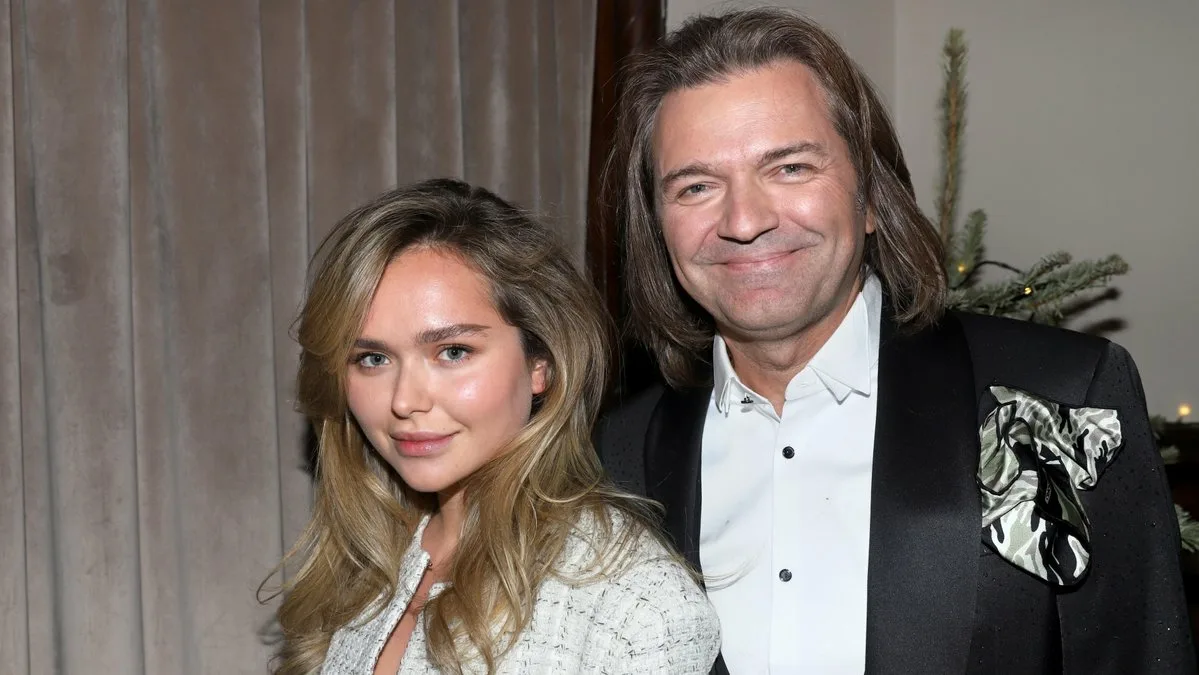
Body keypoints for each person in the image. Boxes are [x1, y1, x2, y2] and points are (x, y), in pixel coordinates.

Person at [595, 8, 1194, 675]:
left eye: (789, 167)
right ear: (657, 224)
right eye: (696, 186)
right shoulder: (615, 455)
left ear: (871, 196)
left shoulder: (1062, 395)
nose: (743, 220)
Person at [264, 179, 719, 674]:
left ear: (540, 362)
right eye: (373, 358)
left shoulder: (635, 609)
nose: (404, 401)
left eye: (453, 352)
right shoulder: (364, 568)